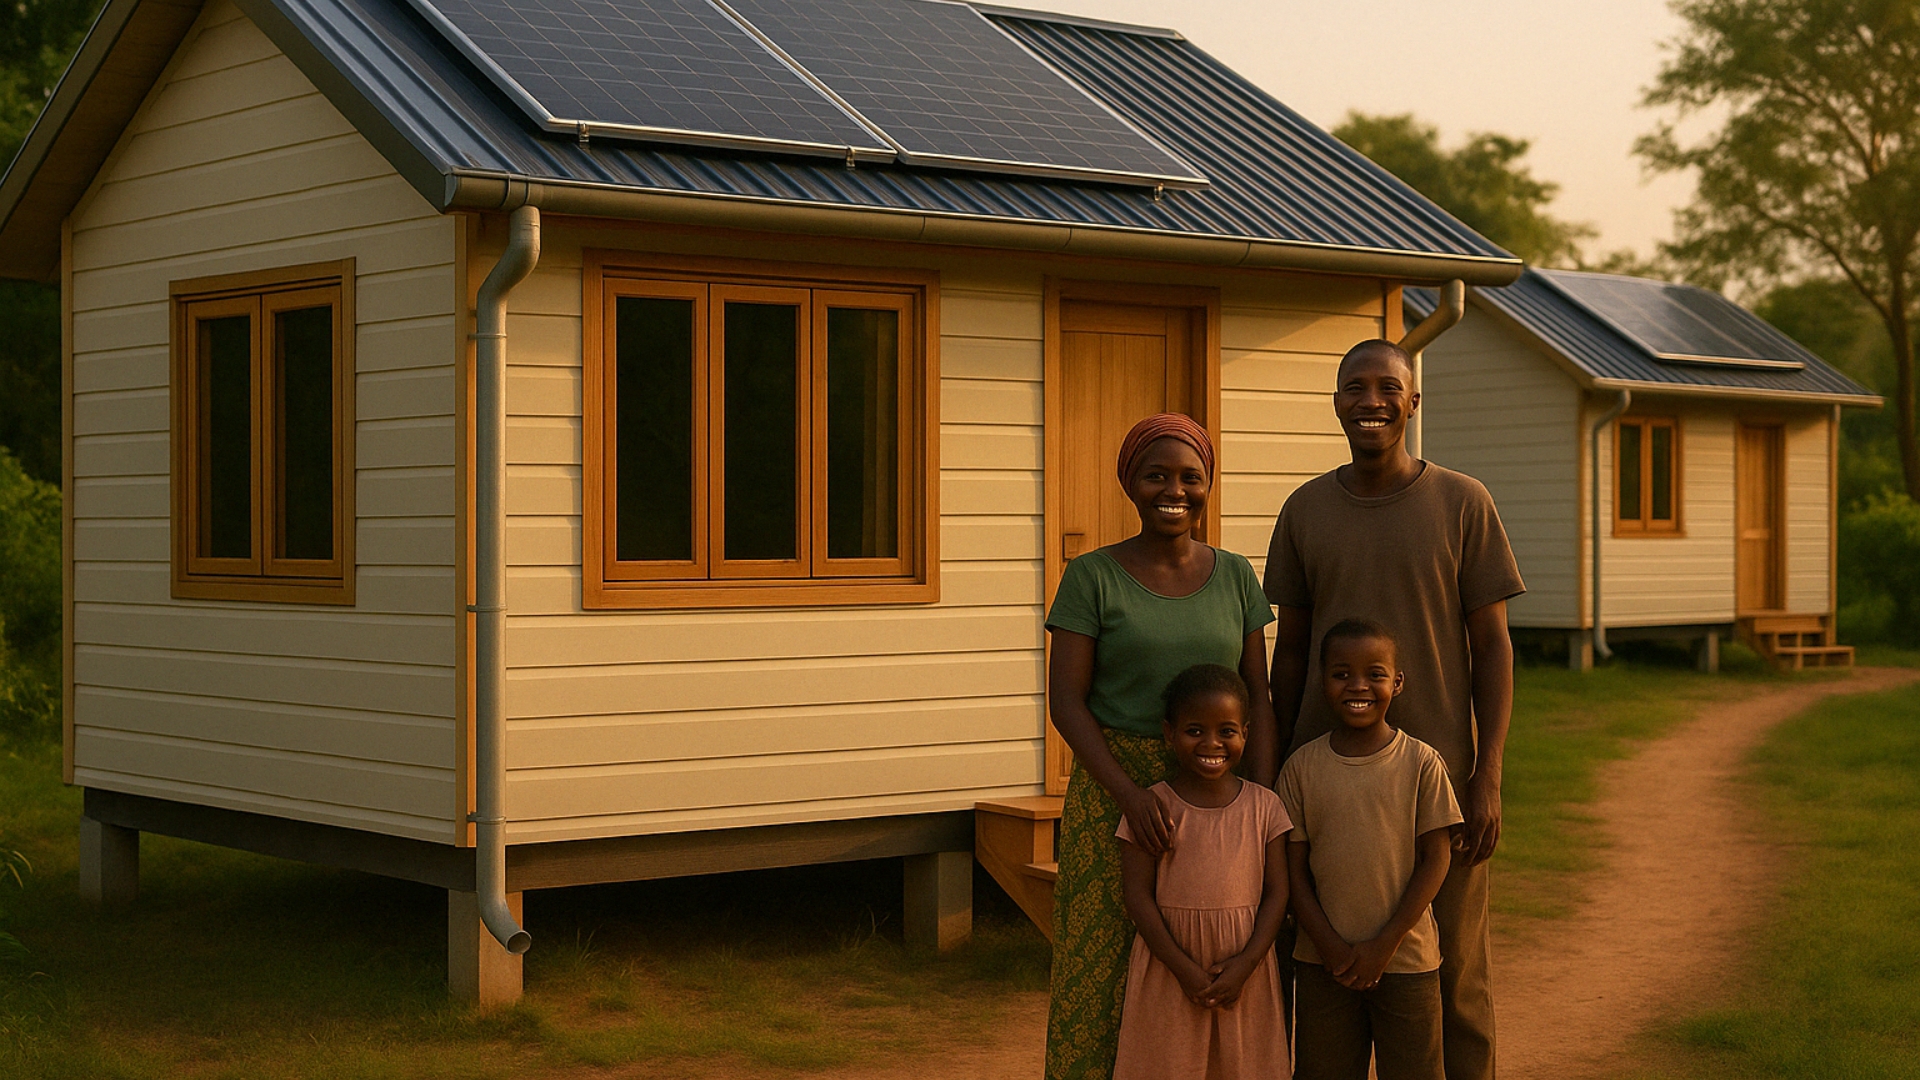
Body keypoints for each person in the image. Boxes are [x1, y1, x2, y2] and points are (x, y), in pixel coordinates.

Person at [1265, 338, 1522, 1080]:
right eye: (1355, 387)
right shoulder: (1306, 509)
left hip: (1439, 786)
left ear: (1414, 402)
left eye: (1388, 387)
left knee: (1456, 975)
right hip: (1326, 781)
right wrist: (1277, 762)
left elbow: (1494, 648)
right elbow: (1292, 648)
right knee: (1319, 963)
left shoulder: (1462, 502)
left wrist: (1488, 772)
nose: (1370, 401)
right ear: (1337, 401)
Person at [1044, 413, 1279, 1080]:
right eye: (1156, 476)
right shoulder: (1091, 577)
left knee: (1209, 951)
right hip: (1119, 788)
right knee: (1102, 965)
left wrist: (1256, 804)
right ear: (1131, 484)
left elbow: (1257, 696)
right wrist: (1130, 794)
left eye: (1189, 477)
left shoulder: (1236, 576)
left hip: (1216, 793)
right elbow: (1067, 702)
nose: (1173, 490)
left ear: (1208, 484)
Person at [1281, 619, 1462, 1080]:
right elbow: (1292, 871)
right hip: (1323, 965)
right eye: (1341, 674)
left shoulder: (1422, 763)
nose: (1357, 686)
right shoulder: (1301, 768)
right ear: (1322, 681)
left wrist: (1385, 944)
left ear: (1397, 683)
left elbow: (1436, 860)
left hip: (1407, 960)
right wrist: (1329, 946)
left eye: (1375, 674)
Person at [1112, 664, 1292, 1080]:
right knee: (1168, 1064)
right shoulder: (1152, 808)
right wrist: (1183, 968)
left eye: (1226, 731)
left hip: (1246, 972)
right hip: (1169, 968)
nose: (1212, 743)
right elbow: (1137, 895)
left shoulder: (1265, 808)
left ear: (1245, 733)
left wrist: (1247, 963)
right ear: (1169, 733)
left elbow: (1277, 894)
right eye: (1195, 731)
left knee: (1243, 1066)